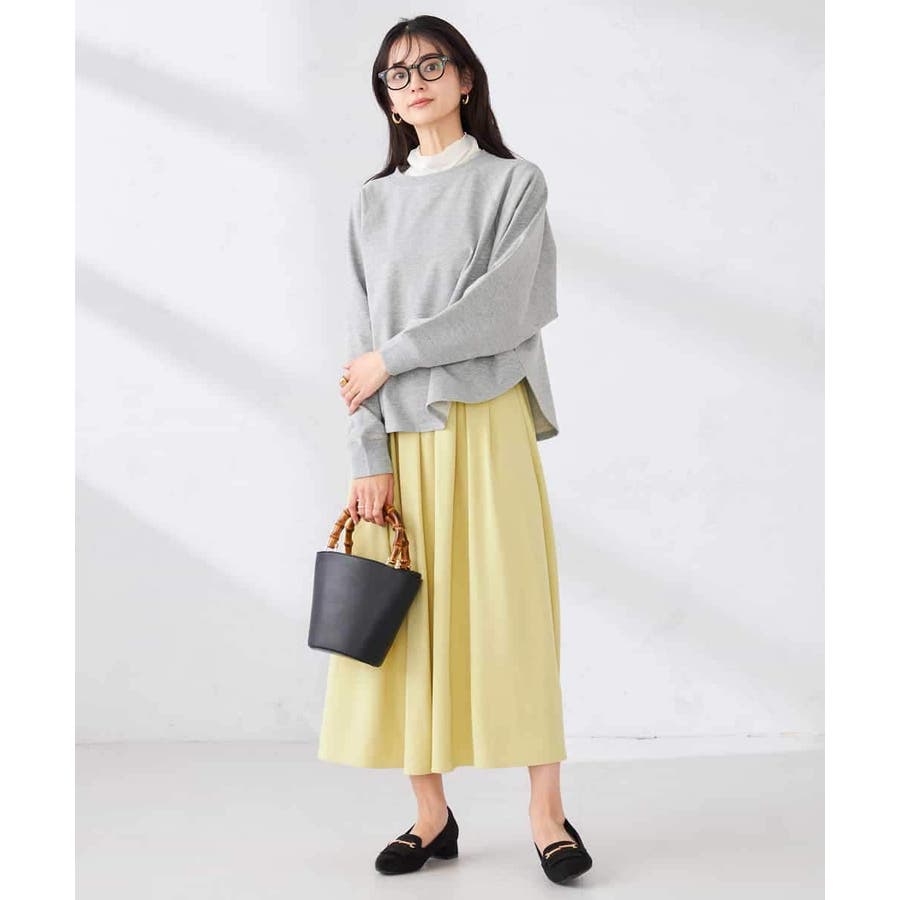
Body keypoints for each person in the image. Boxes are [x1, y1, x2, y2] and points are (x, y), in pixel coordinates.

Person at [316, 15, 593, 885]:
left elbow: (504, 309)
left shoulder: (513, 184)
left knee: (513, 613)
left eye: (431, 65)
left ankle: (546, 811)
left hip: (489, 423)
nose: (415, 82)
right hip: (399, 437)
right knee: (408, 621)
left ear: (466, 78)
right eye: (396, 74)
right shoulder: (371, 203)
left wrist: (395, 357)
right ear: (387, 98)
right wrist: (366, 454)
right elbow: (356, 344)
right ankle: (429, 814)